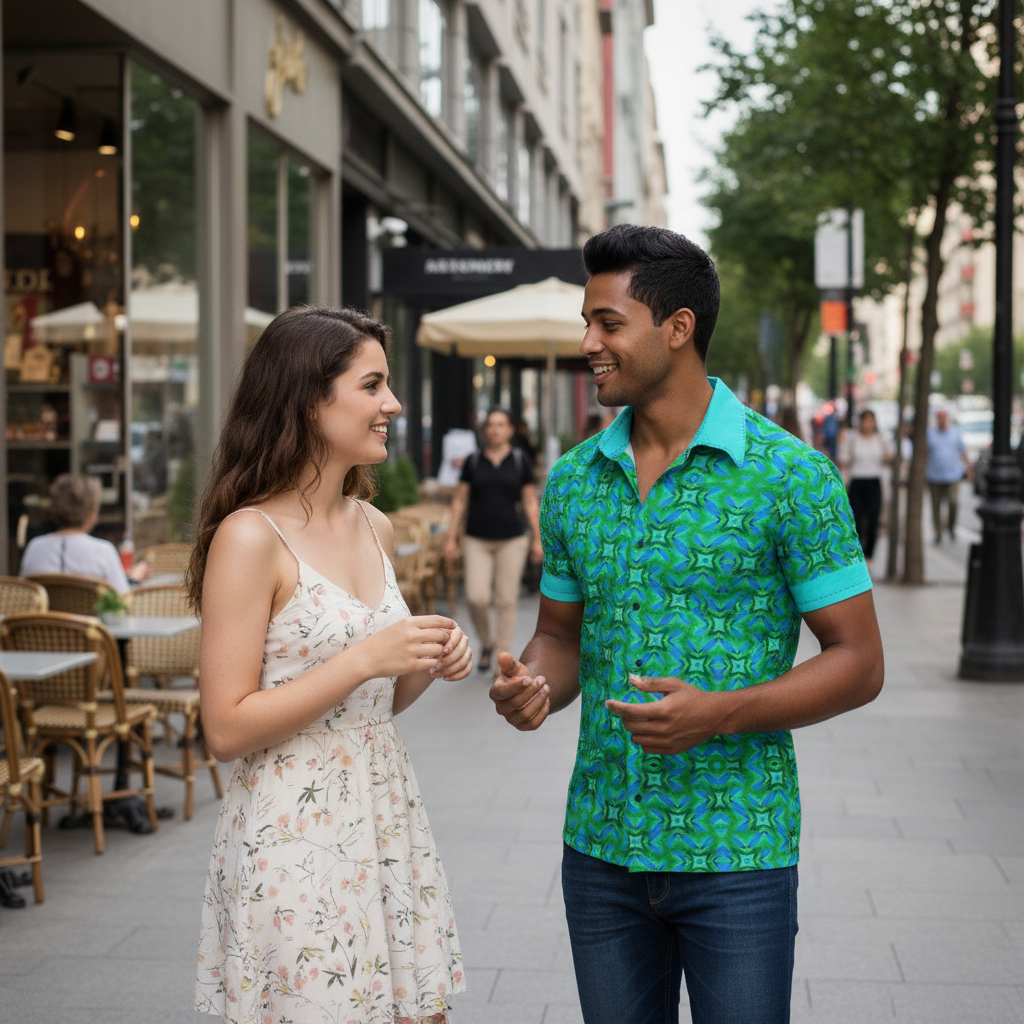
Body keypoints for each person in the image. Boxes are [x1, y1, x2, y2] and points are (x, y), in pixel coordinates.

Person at [488, 225, 884, 1024]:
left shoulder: (790, 477)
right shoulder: (572, 482)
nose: (588, 343)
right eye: (586, 323)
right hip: (600, 846)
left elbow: (859, 662)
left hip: (737, 850)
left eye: (608, 323)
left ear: (678, 327)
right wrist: (534, 684)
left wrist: (720, 713)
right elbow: (560, 636)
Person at [188, 306, 470, 1024]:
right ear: (311, 399)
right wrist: (364, 658)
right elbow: (223, 727)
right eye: (372, 385)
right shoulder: (250, 537)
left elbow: (377, 699)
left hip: (385, 812)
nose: (393, 405)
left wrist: (423, 659)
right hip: (293, 832)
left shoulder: (371, 523)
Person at [443, 407, 542, 675]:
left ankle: (502, 657)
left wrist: (537, 539)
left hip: (513, 539)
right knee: (476, 597)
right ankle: (486, 641)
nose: (495, 429)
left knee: (506, 600)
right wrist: (451, 538)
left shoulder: (520, 461)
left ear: (510, 430)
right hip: (477, 538)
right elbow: (460, 499)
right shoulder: (473, 461)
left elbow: (530, 500)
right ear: (485, 430)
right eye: (491, 425)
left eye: (501, 424)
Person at [19, 473, 146, 591]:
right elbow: (122, 599)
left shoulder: (35, 548)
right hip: (91, 616)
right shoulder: (103, 551)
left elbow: (25, 596)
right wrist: (132, 579)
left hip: (45, 616)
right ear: (92, 512)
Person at [840, 409, 892, 565]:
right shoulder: (852, 439)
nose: (867, 424)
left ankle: (869, 556)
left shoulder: (880, 439)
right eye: (865, 420)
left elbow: (888, 458)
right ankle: (858, 554)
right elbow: (844, 461)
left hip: (874, 482)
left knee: (873, 520)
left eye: (870, 420)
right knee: (856, 520)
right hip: (857, 482)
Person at [926, 407, 971, 543]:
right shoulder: (930, 434)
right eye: (939, 417)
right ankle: (938, 532)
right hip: (934, 476)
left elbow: (963, 451)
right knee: (936, 506)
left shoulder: (955, 432)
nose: (942, 420)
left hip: (953, 475)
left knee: (953, 502)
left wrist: (969, 468)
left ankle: (951, 527)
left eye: (944, 417)